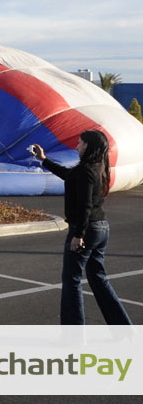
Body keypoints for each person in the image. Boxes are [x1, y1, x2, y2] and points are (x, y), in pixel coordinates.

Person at [32, 131, 132, 325]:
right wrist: (43, 160)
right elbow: (67, 175)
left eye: (79, 143)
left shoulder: (85, 170)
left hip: (86, 230)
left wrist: (78, 235)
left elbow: (85, 205)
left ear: (87, 146)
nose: (76, 146)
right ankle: (123, 330)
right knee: (98, 278)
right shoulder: (98, 168)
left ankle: (73, 337)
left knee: (72, 280)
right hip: (102, 228)